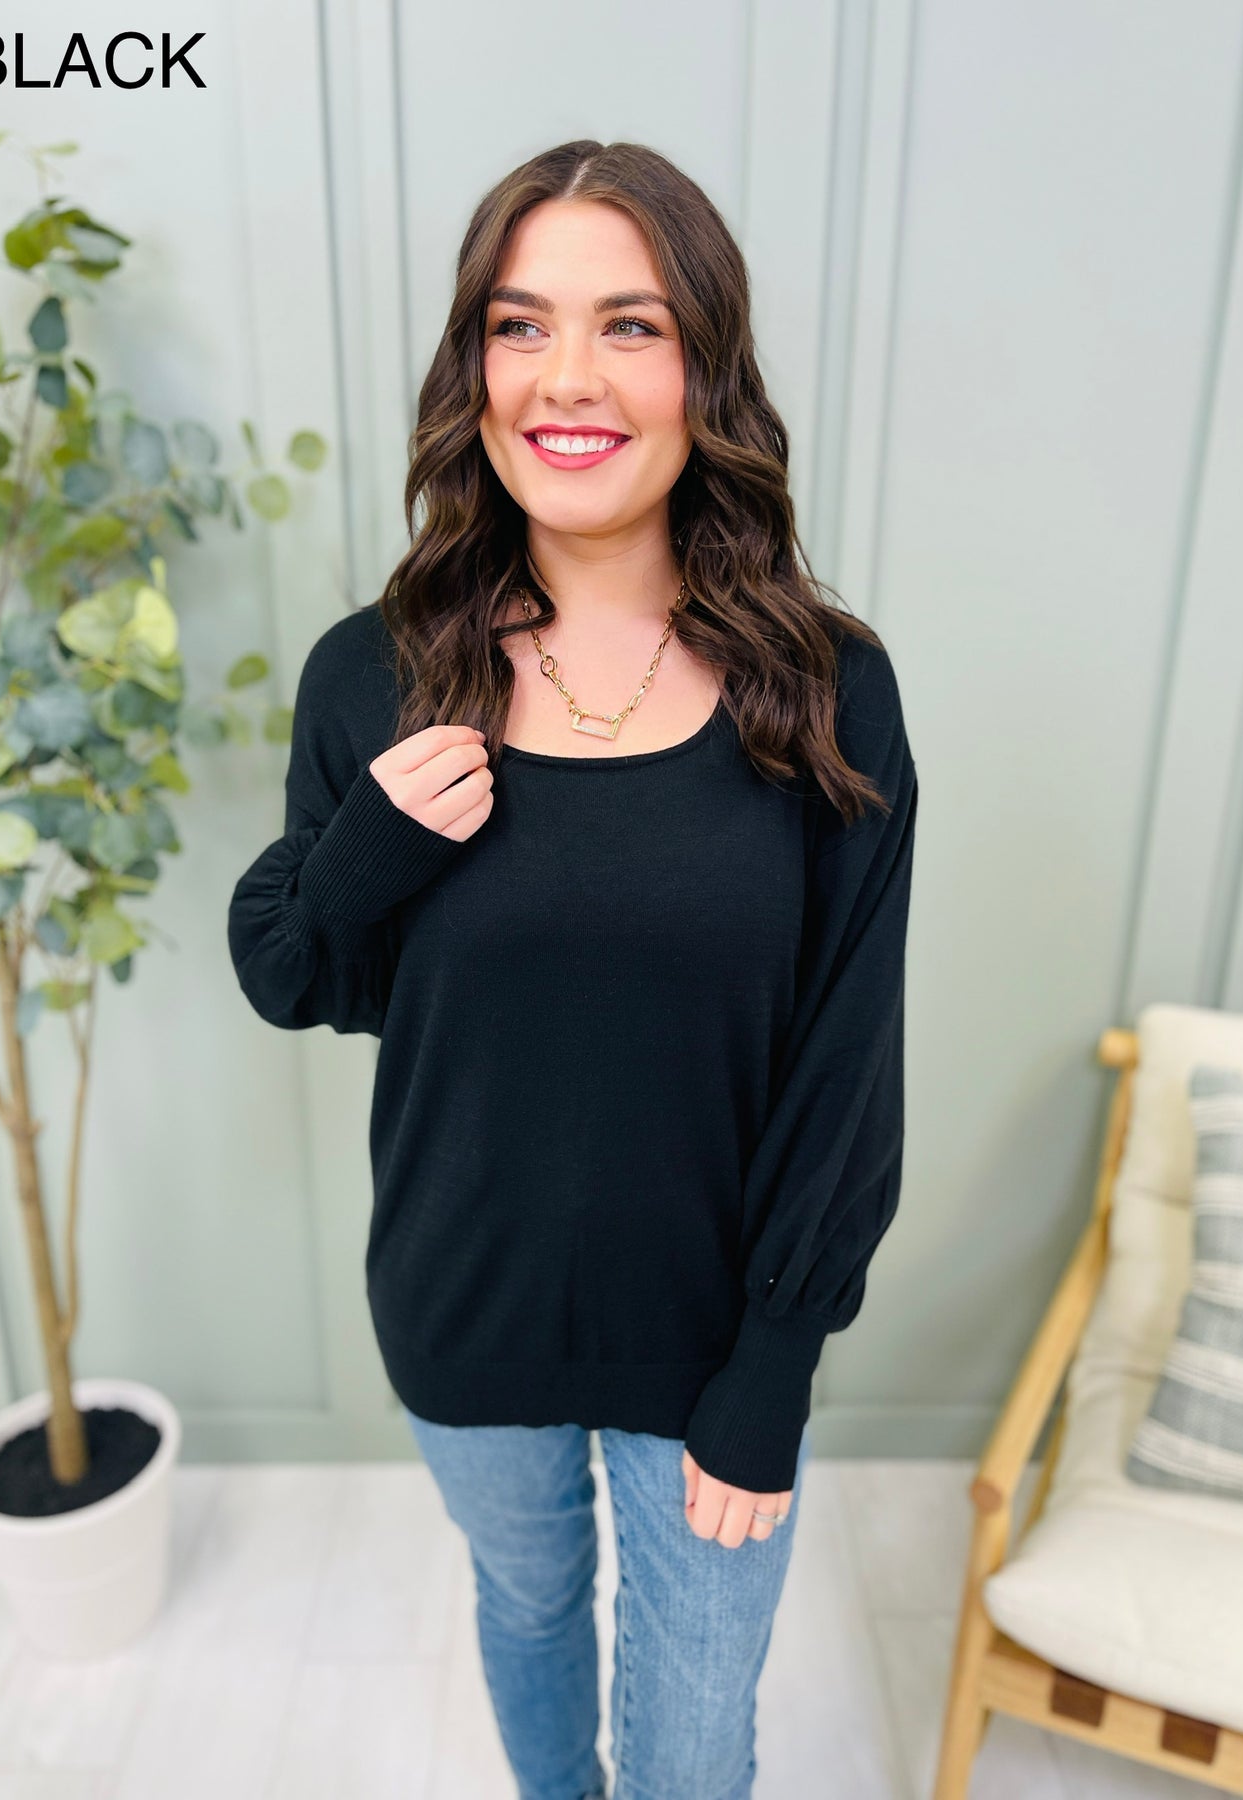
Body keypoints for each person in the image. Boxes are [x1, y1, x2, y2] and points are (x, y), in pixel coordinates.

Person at [228, 139, 918, 1800]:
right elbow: (293, 971)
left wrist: (772, 1368)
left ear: (704, 370)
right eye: (520, 323)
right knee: (528, 1610)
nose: (568, 377)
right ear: (473, 367)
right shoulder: (372, 676)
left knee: (688, 1751)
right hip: (464, 1320)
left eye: (631, 325)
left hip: (711, 1348)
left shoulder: (827, 689)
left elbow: (848, 1060)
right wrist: (375, 845)